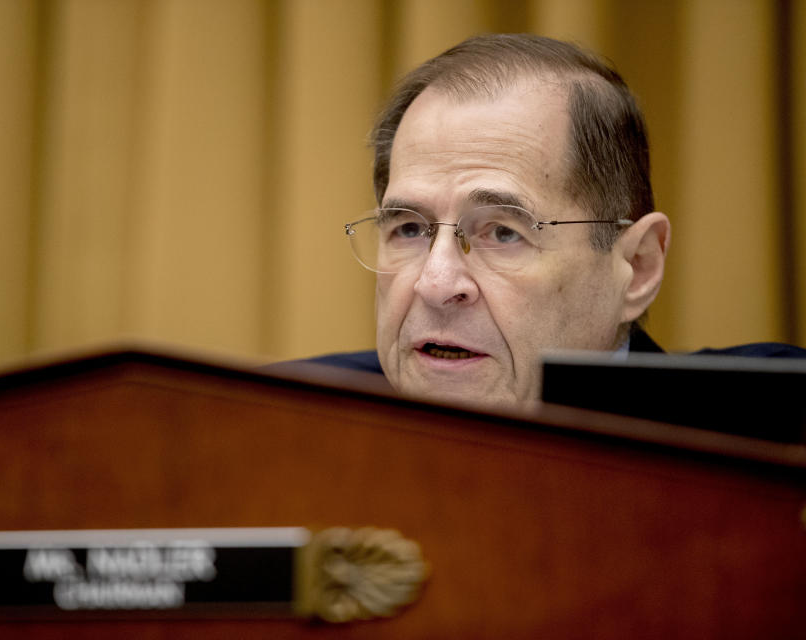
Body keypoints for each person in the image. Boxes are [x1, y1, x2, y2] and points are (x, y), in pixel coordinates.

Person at [305, 33, 806, 406]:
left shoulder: (773, 437)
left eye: (503, 232)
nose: (435, 284)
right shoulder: (283, 426)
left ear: (638, 266)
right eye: (410, 229)